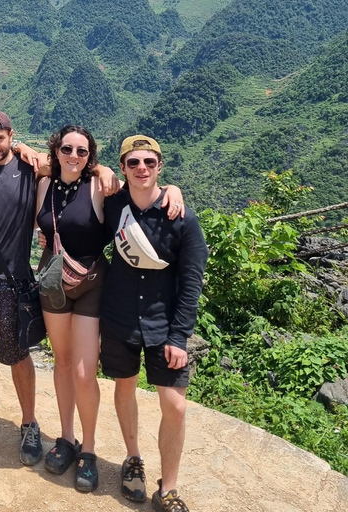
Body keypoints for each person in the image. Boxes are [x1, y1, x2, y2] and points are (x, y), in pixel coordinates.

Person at [0, 111, 119, 466]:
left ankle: (29, 421)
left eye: (1, 138)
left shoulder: (32, 169)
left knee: (18, 354)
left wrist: (103, 169)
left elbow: (76, 168)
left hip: (13, 279)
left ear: (11, 135)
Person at [35, 126, 185, 492]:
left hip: (90, 283)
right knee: (62, 361)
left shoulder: (101, 187)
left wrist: (173, 190)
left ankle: (88, 448)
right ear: (56, 151)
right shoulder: (42, 184)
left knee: (85, 372)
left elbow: (141, 195)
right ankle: (66, 438)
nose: (74, 155)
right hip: (53, 280)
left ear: (91, 157)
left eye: (82, 151)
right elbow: (15, 154)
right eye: (67, 148)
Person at [99, 135, 208, 512]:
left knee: (175, 406)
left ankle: (169, 487)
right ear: (123, 167)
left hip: (165, 326)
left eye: (149, 162)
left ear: (160, 166)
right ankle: (133, 458)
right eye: (133, 163)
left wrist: (180, 336)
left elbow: (192, 280)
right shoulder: (114, 207)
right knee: (124, 387)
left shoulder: (182, 217)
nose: (141, 168)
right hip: (119, 317)